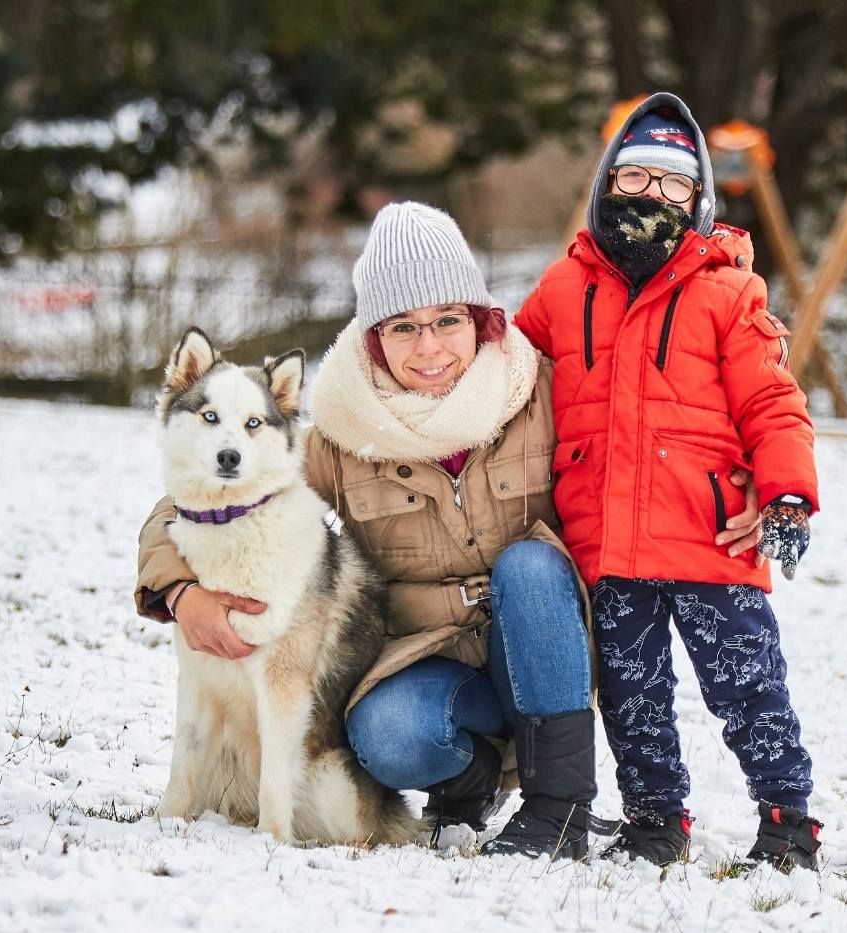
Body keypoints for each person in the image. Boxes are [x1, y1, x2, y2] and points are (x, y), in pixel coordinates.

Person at [135, 201, 762, 861]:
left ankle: (560, 808)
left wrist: (739, 472)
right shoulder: (345, 434)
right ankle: (469, 782)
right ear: (374, 338)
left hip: (545, 650)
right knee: (387, 734)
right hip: (431, 664)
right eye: (403, 327)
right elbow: (196, 503)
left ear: (481, 321)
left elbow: (650, 437)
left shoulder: (540, 394)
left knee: (529, 565)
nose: (429, 348)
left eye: (447, 321)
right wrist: (181, 592)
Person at [513, 93, 824, 871]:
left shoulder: (728, 292)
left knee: (748, 689)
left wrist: (785, 493)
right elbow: (509, 371)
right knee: (631, 699)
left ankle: (787, 820)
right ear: (606, 185)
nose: (652, 194)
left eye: (673, 183)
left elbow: (773, 401)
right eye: (636, 176)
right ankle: (655, 821)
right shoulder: (562, 288)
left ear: (699, 198)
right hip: (607, 543)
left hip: (709, 536)